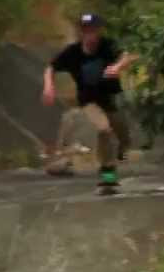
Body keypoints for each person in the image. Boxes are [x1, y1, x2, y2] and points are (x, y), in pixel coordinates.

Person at [42, 13, 137, 186]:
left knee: (124, 139)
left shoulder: (107, 46)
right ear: (81, 32)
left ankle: (120, 150)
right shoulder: (73, 52)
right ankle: (108, 174)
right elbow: (51, 67)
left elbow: (127, 56)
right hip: (89, 101)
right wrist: (49, 86)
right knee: (104, 130)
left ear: (99, 31)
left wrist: (117, 66)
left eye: (93, 31)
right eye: (86, 31)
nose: (90, 35)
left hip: (110, 99)